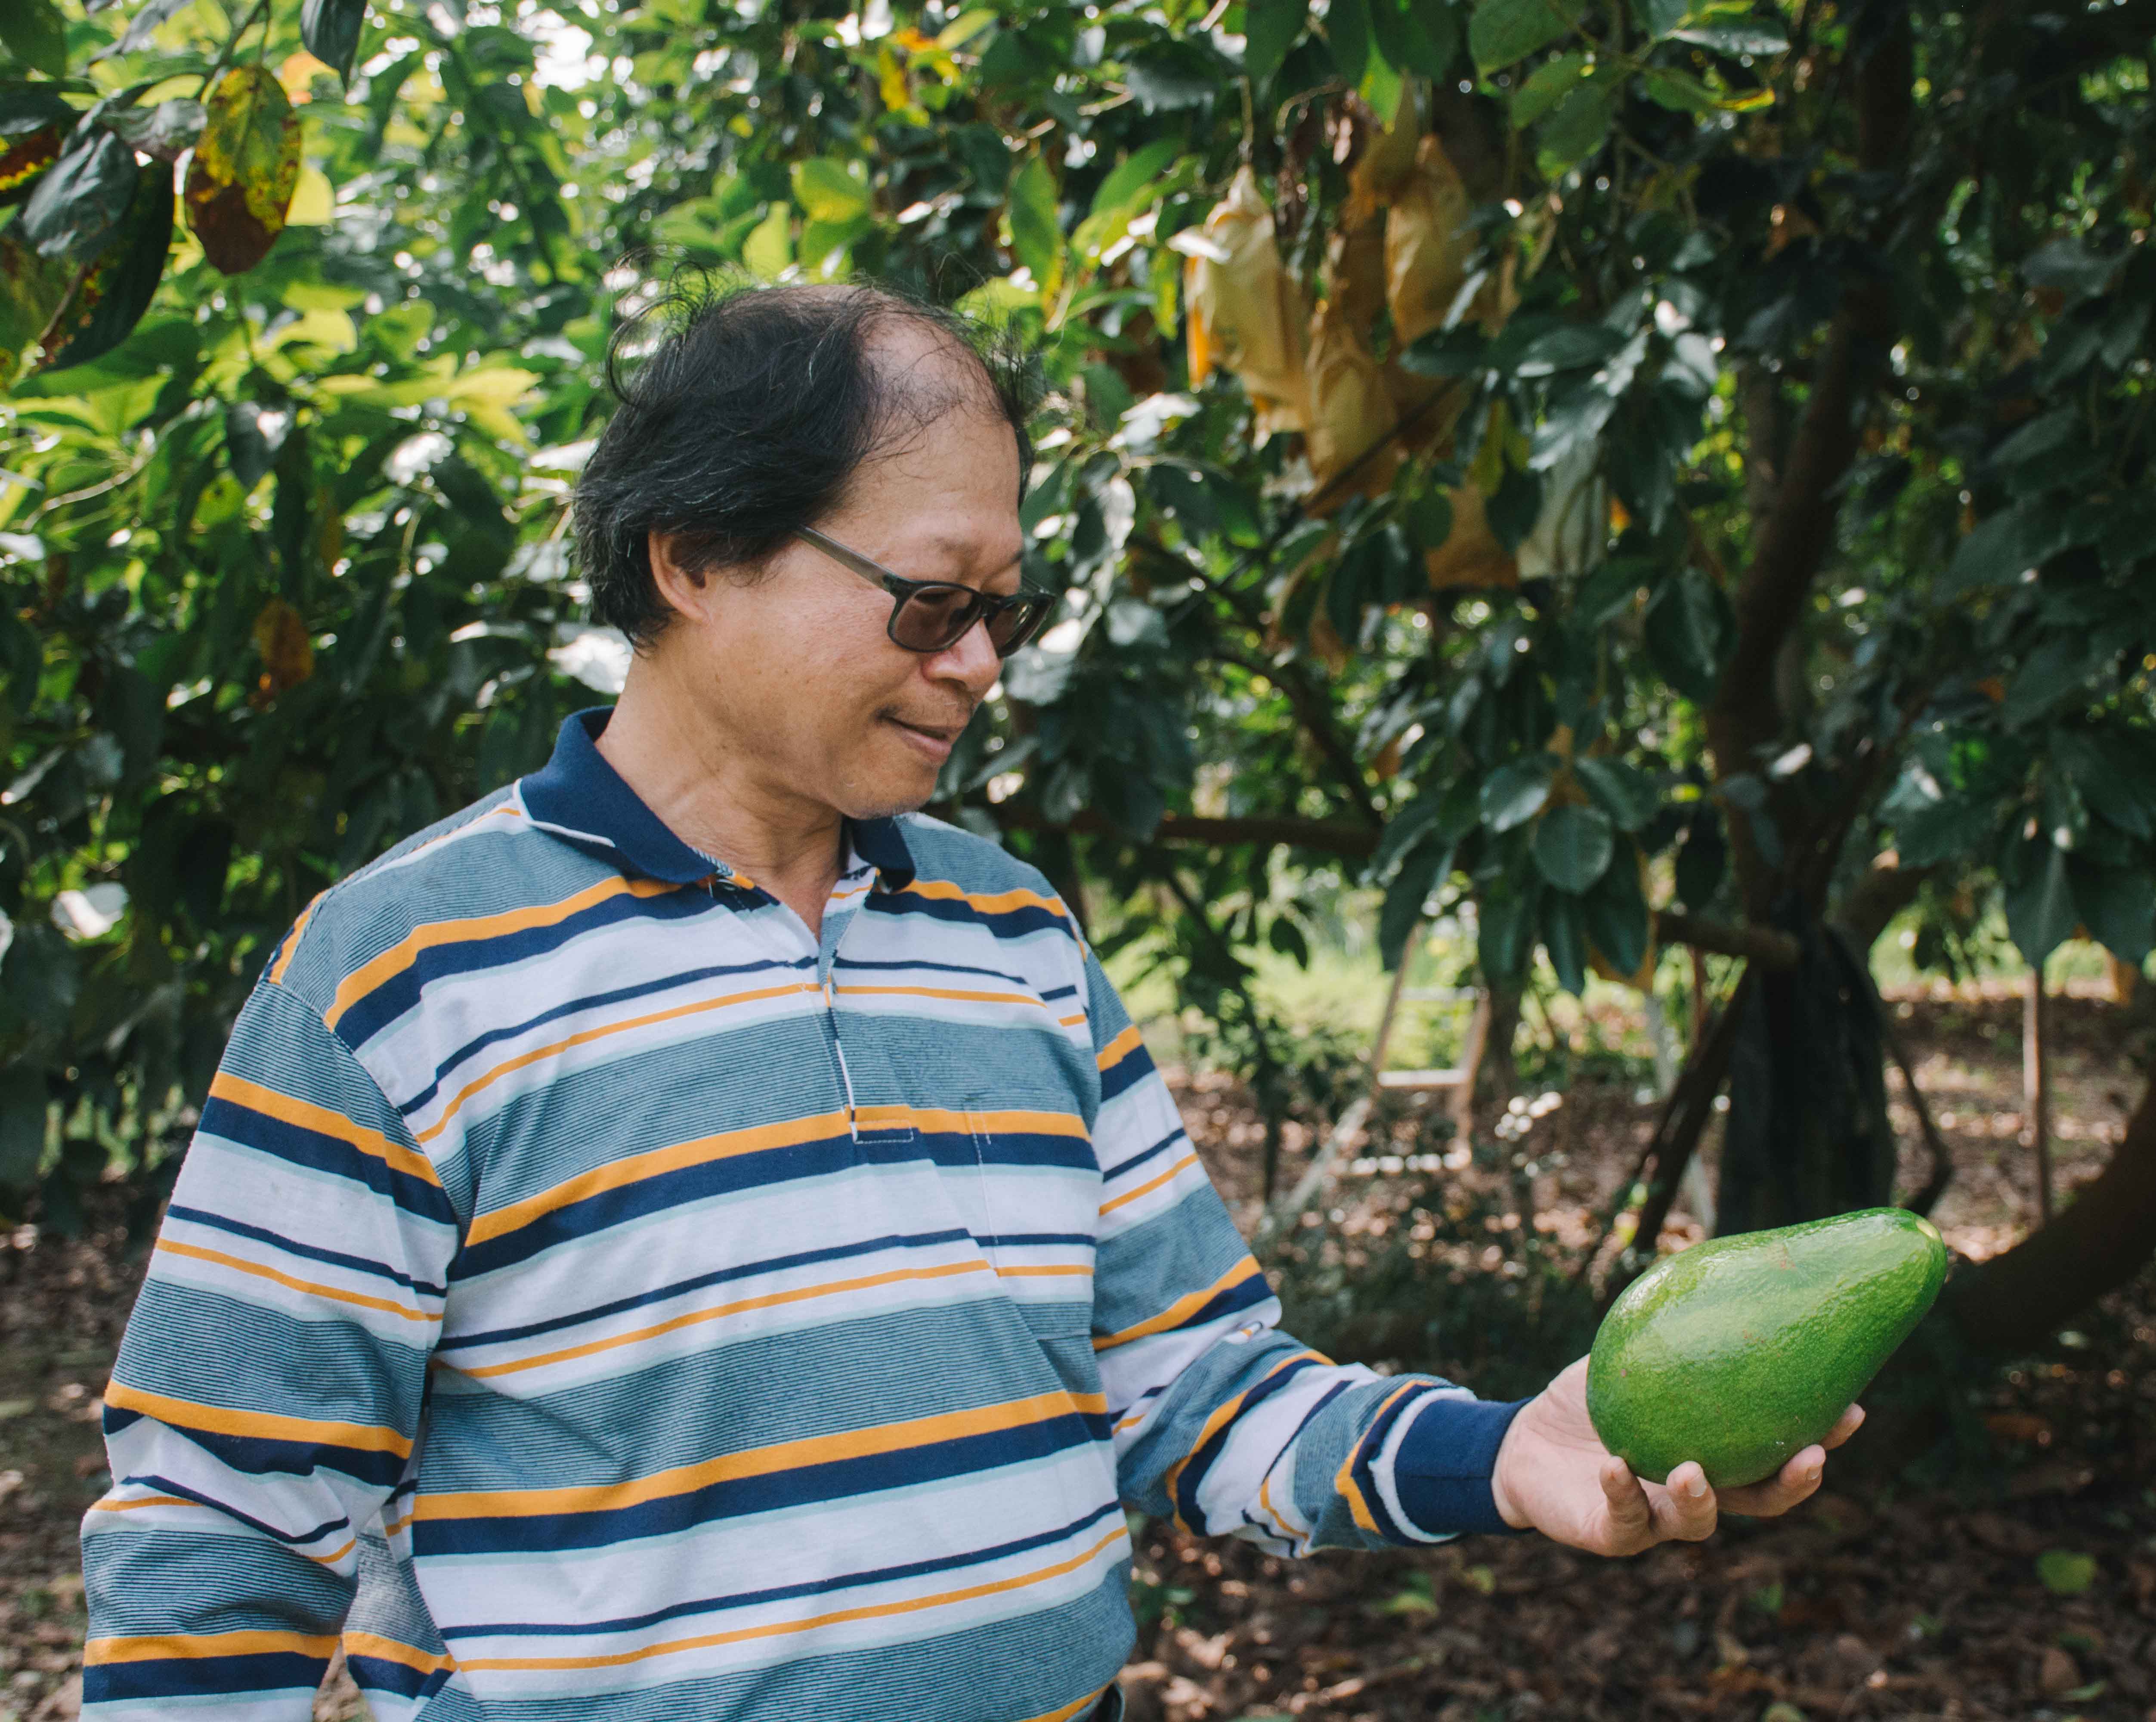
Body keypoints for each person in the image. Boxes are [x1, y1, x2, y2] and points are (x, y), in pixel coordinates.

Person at [79, 281, 1860, 1721]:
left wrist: (1510, 1454)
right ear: (692, 559)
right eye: (930, 604)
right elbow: (227, 1516)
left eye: (1004, 607)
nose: (983, 666)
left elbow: (1196, 1386)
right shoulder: (402, 966)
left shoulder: (1015, 939)